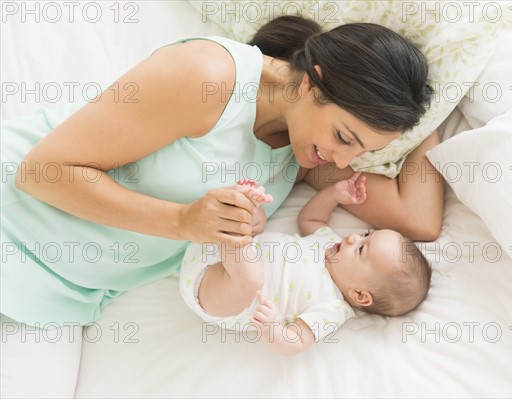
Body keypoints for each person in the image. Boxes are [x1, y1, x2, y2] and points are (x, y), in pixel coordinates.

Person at [1, 14, 442, 397]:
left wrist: (428, 114)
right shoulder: (207, 76)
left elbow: (417, 219)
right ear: (311, 81)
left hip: (63, 299)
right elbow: (41, 171)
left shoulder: (304, 148)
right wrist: (182, 222)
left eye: (361, 152)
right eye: (345, 138)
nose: (344, 162)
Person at [180, 173, 431, 355]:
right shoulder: (330, 244)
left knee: (251, 280)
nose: (353, 237)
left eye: (362, 249)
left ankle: (235, 216)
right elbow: (311, 218)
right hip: (213, 250)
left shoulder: (333, 308)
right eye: (366, 234)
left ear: (360, 295)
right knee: (259, 222)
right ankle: (239, 214)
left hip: (217, 296)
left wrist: (273, 330)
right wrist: (333, 195)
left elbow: (296, 341)